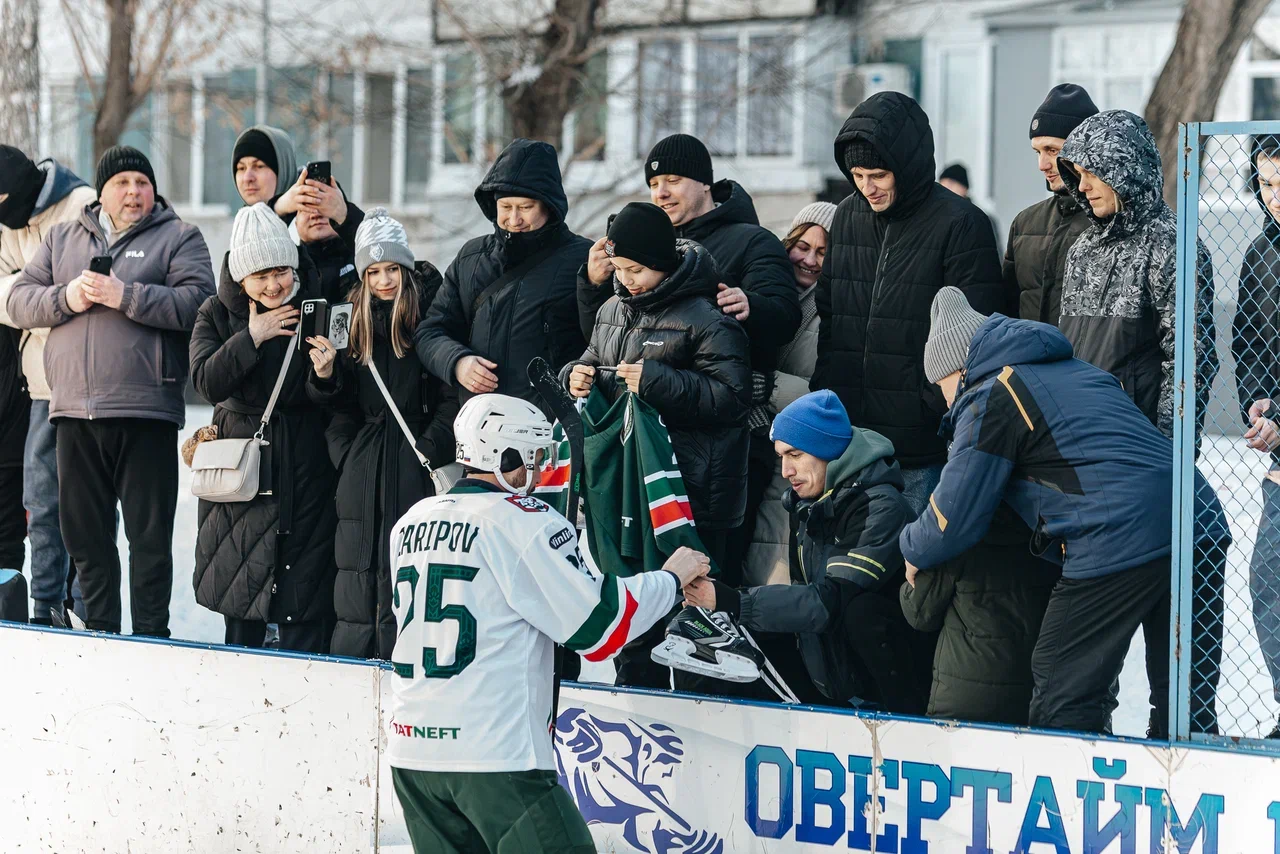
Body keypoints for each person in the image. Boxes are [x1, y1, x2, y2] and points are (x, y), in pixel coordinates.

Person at [386, 393, 710, 854]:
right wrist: (670, 578)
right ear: (506, 456)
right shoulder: (524, 521)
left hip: (412, 753)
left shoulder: (411, 521)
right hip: (494, 757)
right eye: (534, 458)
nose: (538, 474)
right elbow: (602, 628)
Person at [900, 288, 1175, 735]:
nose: (946, 403)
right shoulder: (1073, 370)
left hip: (1118, 532)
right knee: (1179, 693)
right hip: (1196, 517)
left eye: (943, 388)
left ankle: (1072, 796)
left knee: (1060, 687)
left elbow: (952, 519)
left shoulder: (992, 391)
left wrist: (911, 547)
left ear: (957, 369)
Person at [1058, 109, 1230, 736]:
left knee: (1186, 573)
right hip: (1081, 467)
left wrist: (1165, 460)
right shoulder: (1080, 251)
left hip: (1145, 465)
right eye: (1078, 173)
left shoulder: (1174, 246)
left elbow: (1189, 361)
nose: (1083, 184)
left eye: (1093, 172)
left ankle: (1181, 722)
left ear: (1125, 170)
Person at [6, 146, 215, 637]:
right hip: (74, 413)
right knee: (86, 540)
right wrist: (67, 297)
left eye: (142, 182)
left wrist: (128, 296)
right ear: (101, 191)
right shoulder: (62, 238)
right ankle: (101, 635)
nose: (134, 191)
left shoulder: (179, 236)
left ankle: (150, 636)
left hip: (146, 413)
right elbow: (18, 301)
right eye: (122, 183)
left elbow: (199, 303)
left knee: (148, 541)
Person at [579, 134, 798, 585]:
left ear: (704, 183)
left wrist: (751, 306)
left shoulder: (750, 242)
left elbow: (783, 318)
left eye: (673, 180)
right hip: (638, 465)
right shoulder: (632, 259)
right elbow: (604, 342)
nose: (661, 191)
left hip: (718, 456)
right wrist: (591, 285)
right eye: (654, 182)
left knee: (713, 588)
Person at [565, 203, 750, 689]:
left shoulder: (707, 317)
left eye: (637, 269)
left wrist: (660, 383)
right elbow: (588, 359)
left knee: (697, 633)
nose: (627, 280)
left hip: (692, 498)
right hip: (630, 498)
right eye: (620, 269)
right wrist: (576, 376)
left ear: (663, 262)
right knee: (639, 627)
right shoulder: (609, 310)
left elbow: (733, 398)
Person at [810, 92, 1004, 516]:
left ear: (908, 166)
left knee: (909, 573)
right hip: (847, 438)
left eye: (878, 174)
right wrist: (827, 388)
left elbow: (975, 336)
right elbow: (830, 313)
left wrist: (928, 408)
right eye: (858, 175)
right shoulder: (847, 215)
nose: (867, 187)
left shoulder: (961, 224)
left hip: (918, 450)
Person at [684, 391, 930, 713]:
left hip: (895, 677)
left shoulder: (880, 505)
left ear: (827, 449)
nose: (785, 470)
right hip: (836, 668)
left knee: (861, 612)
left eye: (795, 455)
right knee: (743, 632)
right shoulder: (807, 503)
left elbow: (830, 601)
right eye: (781, 457)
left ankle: (906, 722)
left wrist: (732, 599)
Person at [306, 209, 457, 660]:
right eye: (375, 271)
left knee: (408, 575)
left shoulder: (430, 315)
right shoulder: (354, 319)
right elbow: (340, 407)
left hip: (416, 464)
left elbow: (452, 396)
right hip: (363, 468)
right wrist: (347, 450)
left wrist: (426, 450)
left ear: (406, 268)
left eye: (393, 268)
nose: (386, 280)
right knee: (357, 576)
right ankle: (356, 668)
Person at [188, 203, 338, 652]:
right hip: (242, 474)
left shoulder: (319, 308)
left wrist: (327, 375)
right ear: (240, 277)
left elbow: (339, 397)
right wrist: (250, 338)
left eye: (281, 272)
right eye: (261, 276)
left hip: (307, 468)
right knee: (243, 596)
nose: (274, 285)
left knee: (304, 599)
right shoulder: (214, 314)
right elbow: (205, 382)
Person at [416, 138, 589, 415]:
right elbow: (430, 332)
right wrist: (457, 363)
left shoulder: (582, 259)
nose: (514, 218)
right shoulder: (470, 258)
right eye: (505, 207)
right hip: (480, 431)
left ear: (549, 205)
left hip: (552, 433)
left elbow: (601, 339)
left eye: (525, 207)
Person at [0, 146, 96, 624]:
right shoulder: (6, 220)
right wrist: (51, 299)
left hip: (85, 381)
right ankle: (44, 606)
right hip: (37, 382)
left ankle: (85, 606)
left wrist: (27, 296)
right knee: (38, 500)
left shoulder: (80, 205)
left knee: (86, 499)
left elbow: (92, 292)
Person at [899, 505, 1059, 726]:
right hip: (1031, 698)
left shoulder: (956, 538)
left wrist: (908, 579)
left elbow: (919, 613)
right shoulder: (1052, 541)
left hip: (961, 705)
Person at [745, 202, 834, 586]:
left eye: (822, 252)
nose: (810, 260)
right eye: (802, 246)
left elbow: (830, 393)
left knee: (775, 555)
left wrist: (770, 387)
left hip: (796, 445)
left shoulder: (832, 308)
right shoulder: (762, 289)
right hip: (754, 437)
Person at [1232, 133, 1280, 737]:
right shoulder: (1261, 254)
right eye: (1266, 183)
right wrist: (1260, 401)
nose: (1274, 197)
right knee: (1267, 578)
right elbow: (1248, 343)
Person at [232, 125, 365, 300]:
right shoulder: (289, 271)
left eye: (259, 166)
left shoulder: (360, 259)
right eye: (306, 207)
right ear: (294, 219)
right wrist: (279, 208)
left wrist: (344, 215)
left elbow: (382, 252)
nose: (247, 178)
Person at [1002, 84, 1099, 325]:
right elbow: (1006, 310)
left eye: (1052, 150)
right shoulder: (1024, 223)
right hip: (1029, 362)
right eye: (1037, 152)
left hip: (1085, 364)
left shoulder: (1110, 222)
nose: (1042, 165)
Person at [938, 162, 1000, 245]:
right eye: (942, 185)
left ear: (964, 188)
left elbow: (995, 252)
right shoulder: (937, 217)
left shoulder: (981, 218)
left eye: (950, 184)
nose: (945, 189)